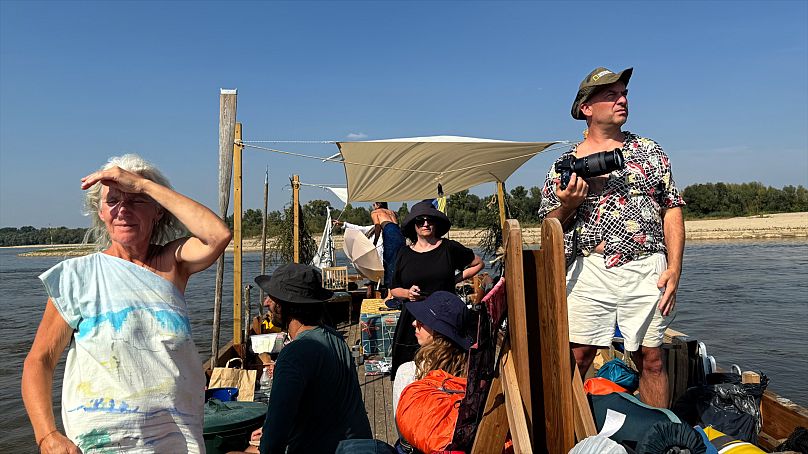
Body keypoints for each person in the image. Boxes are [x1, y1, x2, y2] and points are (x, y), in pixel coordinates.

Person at [22, 154, 232, 452]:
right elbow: (39, 360)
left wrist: (143, 184)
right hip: (101, 444)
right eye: (113, 201)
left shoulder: (172, 263)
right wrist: (47, 435)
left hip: (176, 439)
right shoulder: (76, 277)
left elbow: (218, 235)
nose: (123, 210)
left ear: (157, 211)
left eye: (135, 199)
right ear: (101, 212)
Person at [537, 67, 685, 407]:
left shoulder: (650, 150)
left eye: (624, 94)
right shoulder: (565, 164)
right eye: (610, 95)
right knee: (577, 356)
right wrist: (568, 205)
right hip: (590, 268)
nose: (622, 100)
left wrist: (675, 268)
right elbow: (549, 227)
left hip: (647, 267)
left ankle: (658, 433)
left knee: (652, 359)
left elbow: (672, 209)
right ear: (586, 108)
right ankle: (570, 429)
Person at [250, 263, 372, 453]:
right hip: (357, 445)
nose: (266, 302)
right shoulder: (334, 337)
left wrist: (269, 435)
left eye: (272, 298)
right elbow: (319, 402)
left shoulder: (294, 354)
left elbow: (272, 443)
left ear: (284, 305)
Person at [388, 201, 483, 380]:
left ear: (436, 223)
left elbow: (478, 263)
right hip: (413, 319)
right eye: (420, 221)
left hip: (443, 319)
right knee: (411, 372)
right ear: (414, 225)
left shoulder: (449, 248)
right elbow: (394, 289)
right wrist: (407, 293)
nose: (425, 224)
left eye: (430, 220)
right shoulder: (403, 253)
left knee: (446, 368)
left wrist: (455, 279)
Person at [392, 291, 471, 416]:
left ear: (439, 332)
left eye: (422, 321)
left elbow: (400, 420)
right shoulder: (469, 370)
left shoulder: (408, 373)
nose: (414, 323)